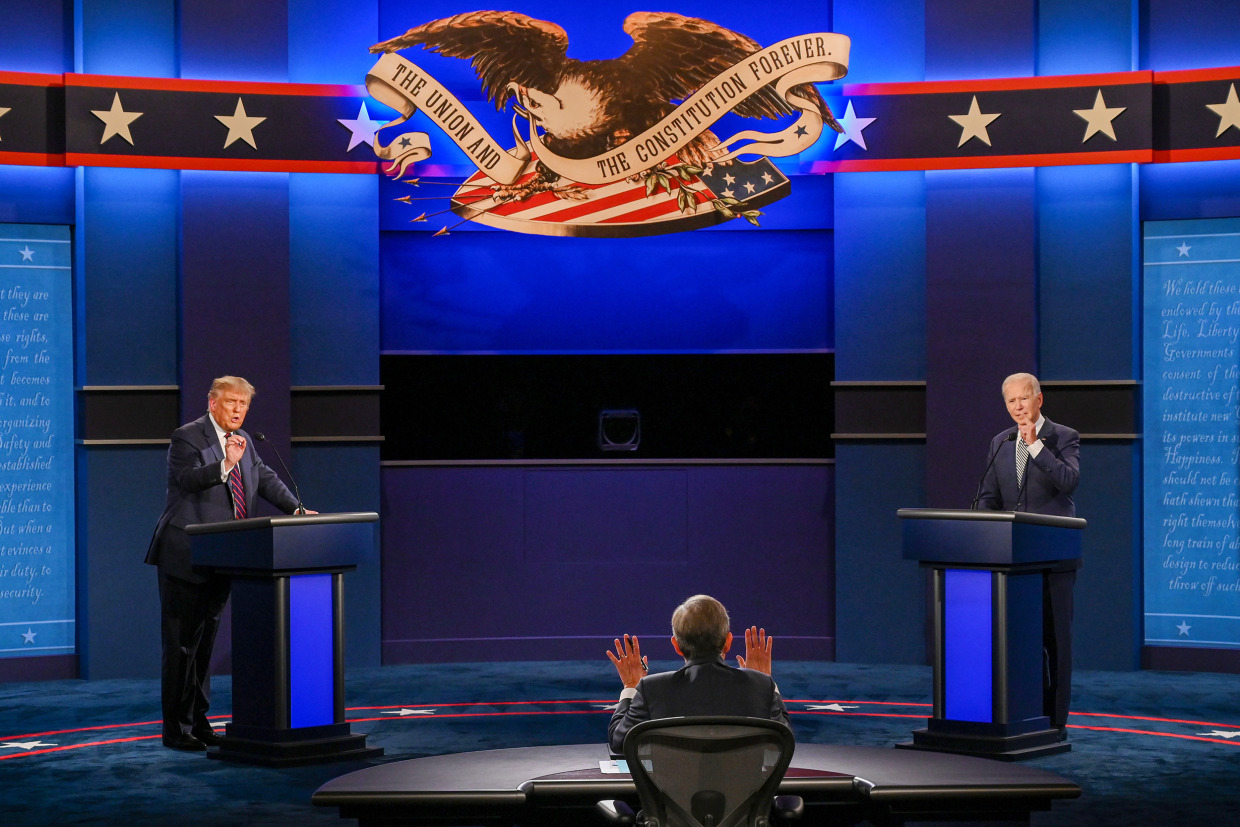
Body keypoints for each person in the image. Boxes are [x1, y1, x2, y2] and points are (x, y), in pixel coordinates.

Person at [145, 376, 312, 752]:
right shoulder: (186, 437)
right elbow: (187, 479)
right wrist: (224, 463)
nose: (237, 410)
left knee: (203, 646)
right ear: (213, 402)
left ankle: (199, 720)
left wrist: (296, 509)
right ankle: (175, 729)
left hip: (224, 556)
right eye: (231, 402)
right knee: (181, 645)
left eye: (243, 404)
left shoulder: (247, 441)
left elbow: (263, 478)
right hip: (185, 555)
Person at [975, 372, 1080, 738]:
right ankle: (1030, 712)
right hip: (1013, 559)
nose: (1018, 407)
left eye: (1024, 399)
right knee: (1024, 642)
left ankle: (1056, 720)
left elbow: (1068, 481)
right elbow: (989, 495)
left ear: (1039, 399)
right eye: (1011, 401)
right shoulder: (1000, 442)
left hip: (1054, 558)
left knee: (1056, 642)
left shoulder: (1063, 437)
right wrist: (984, 522)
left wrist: (1036, 447)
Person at [606, 594, 790, 756]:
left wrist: (630, 686)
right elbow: (785, 740)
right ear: (728, 643)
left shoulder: (652, 689)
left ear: (676, 646)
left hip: (671, 796)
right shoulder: (759, 685)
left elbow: (619, 742)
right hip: (747, 796)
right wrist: (764, 683)